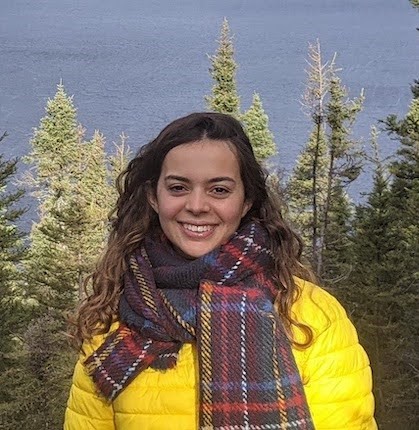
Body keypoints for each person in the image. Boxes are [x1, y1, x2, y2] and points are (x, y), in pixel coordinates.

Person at [64, 112, 377, 430]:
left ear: (246, 202)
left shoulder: (310, 315)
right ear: (154, 197)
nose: (197, 205)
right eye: (178, 188)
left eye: (219, 190)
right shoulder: (113, 321)